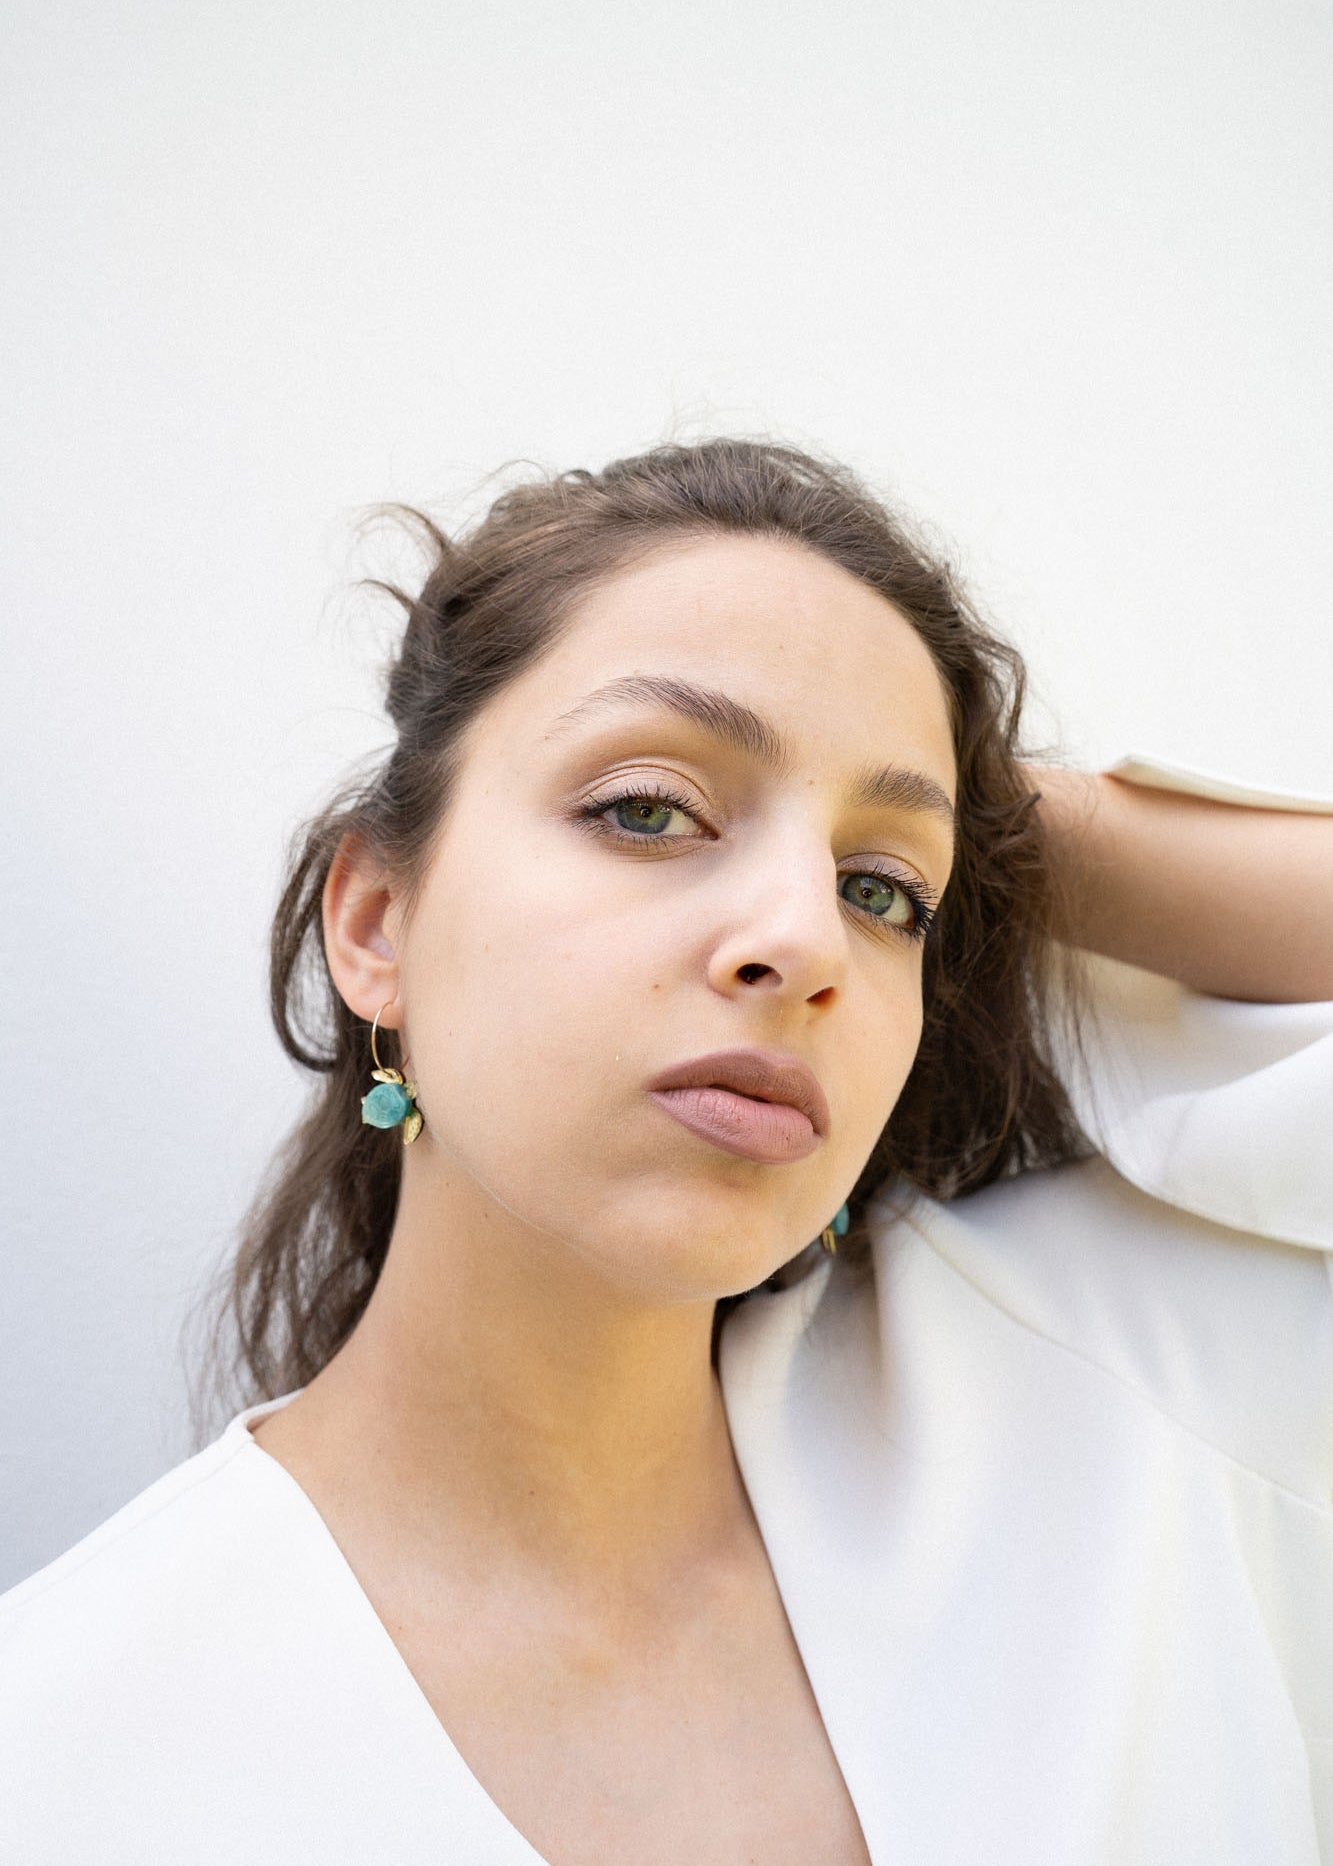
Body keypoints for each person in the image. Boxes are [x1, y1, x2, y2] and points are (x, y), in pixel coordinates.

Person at [2, 439, 1330, 1864]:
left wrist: (972, 804)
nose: (805, 939)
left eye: (882, 889)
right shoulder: (68, 1750)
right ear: (377, 921)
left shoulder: (1116, 1411)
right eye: (647, 808)